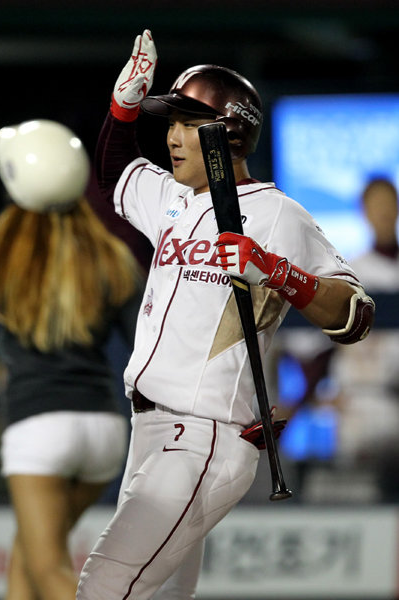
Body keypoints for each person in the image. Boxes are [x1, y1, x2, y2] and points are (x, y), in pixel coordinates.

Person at [75, 30, 375, 600]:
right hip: (150, 430)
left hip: (202, 437)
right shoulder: (174, 198)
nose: (171, 137)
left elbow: (355, 315)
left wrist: (277, 271)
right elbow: (115, 171)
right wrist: (123, 106)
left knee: (106, 585)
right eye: (170, 123)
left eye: (187, 123)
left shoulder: (278, 214)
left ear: (228, 131)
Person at [0, 119, 144, 600]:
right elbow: (149, 345)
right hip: (104, 433)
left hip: (39, 430)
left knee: (48, 569)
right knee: (27, 560)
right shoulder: (110, 254)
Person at [328, 176, 399, 501]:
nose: (383, 211)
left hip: (392, 398)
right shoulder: (350, 272)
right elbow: (320, 346)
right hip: (359, 401)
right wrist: (310, 395)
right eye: (375, 204)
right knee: (359, 500)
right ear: (364, 211)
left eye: (388, 203)